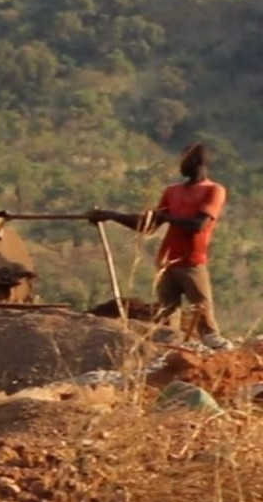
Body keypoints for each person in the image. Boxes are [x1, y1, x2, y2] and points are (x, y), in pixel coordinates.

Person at [89, 143, 231, 350]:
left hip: (192, 261)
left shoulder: (214, 191)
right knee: (167, 314)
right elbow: (148, 225)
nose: (181, 166)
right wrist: (112, 215)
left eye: (185, 161)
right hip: (167, 261)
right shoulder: (172, 192)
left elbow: (198, 225)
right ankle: (169, 353)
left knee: (203, 313)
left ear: (199, 163)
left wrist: (166, 217)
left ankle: (217, 349)